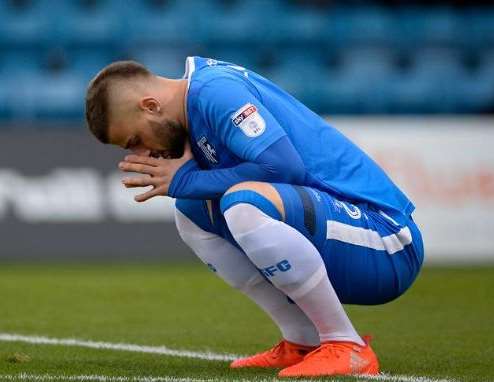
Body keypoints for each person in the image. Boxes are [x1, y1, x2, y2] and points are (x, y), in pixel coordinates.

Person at [84, 56, 424, 378]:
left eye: (135, 140)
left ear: (151, 106)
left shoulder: (216, 92)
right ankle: (302, 340)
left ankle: (346, 344)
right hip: (344, 237)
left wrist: (189, 179)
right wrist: (189, 184)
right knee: (190, 213)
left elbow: (283, 166)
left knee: (243, 202)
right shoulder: (195, 108)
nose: (143, 153)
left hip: (387, 240)